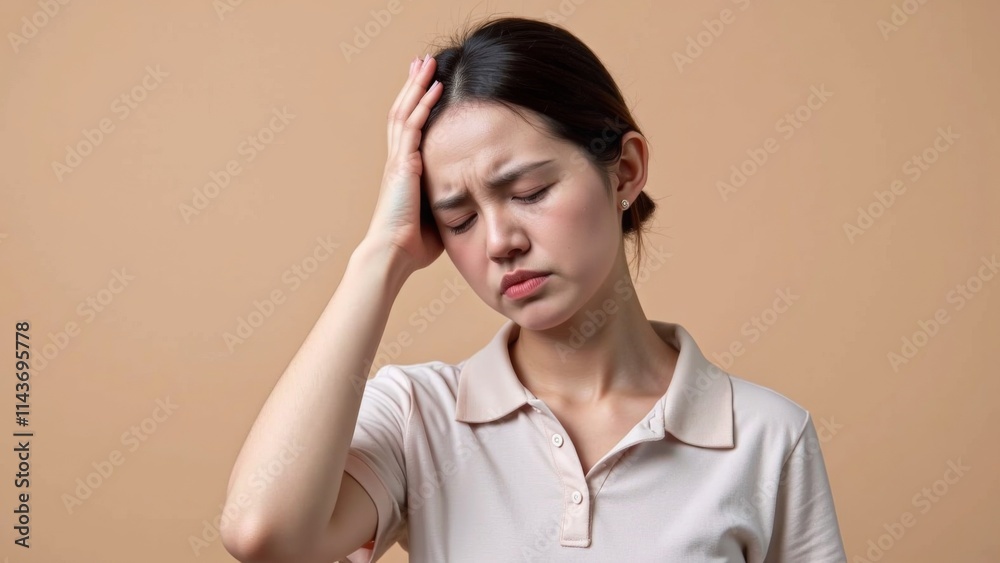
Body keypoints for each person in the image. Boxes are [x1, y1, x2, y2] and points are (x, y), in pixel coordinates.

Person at [220, 15, 848, 563]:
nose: (499, 241)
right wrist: (379, 255)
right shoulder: (420, 417)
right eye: (459, 219)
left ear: (624, 168)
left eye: (529, 192)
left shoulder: (767, 437)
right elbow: (263, 535)